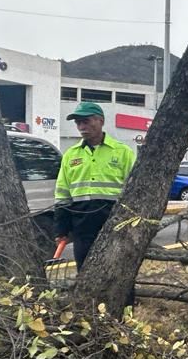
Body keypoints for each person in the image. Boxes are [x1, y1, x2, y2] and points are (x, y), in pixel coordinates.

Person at [54, 102, 136, 269]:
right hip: (82, 225)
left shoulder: (123, 152)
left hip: (115, 223)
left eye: (86, 121)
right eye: (78, 123)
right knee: (85, 270)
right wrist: (62, 230)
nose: (81, 126)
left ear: (100, 121)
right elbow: (62, 194)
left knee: (118, 271)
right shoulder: (71, 155)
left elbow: (135, 191)